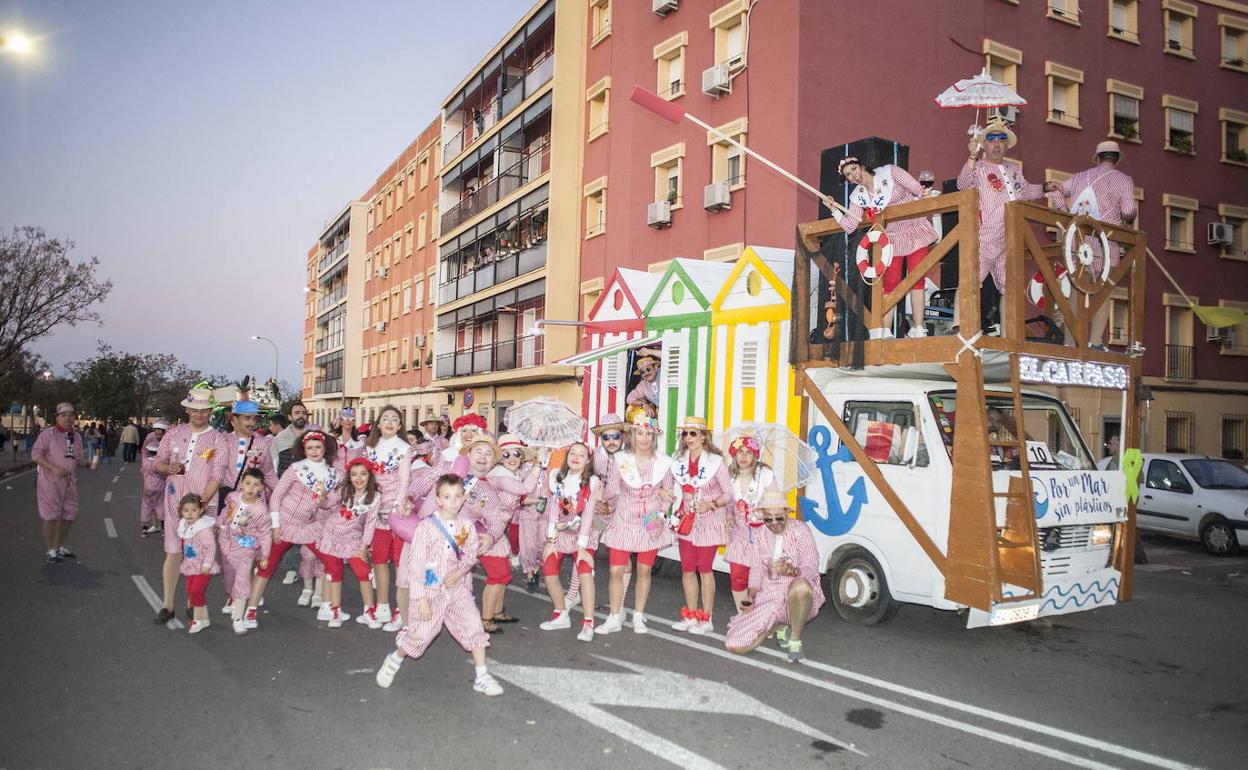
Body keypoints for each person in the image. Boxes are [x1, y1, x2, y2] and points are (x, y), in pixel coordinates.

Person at [375, 474, 504, 697]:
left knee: (474, 625)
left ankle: (482, 676)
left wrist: (460, 572)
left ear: (463, 498)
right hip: (430, 589)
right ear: (438, 499)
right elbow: (416, 567)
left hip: (457, 588)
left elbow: (470, 555)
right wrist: (421, 600)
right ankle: (394, 659)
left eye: (457, 496)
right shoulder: (426, 528)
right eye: (447, 496)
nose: (453, 501)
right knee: (421, 634)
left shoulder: (467, 526)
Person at [956, 120, 1057, 330]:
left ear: (1007, 144)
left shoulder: (1014, 170)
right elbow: (962, 185)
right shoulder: (979, 167)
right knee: (970, 280)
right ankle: (959, 326)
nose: (996, 144)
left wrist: (1046, 187)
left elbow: (1026, 191)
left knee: (1011, 287)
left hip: (1010, 238)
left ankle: (1009, 333)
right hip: (984, 236)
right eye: (991, 139)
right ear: (984, 144)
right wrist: (972, 157)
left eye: (1001, 139)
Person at [827, 157, 939, 338]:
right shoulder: (857, 196)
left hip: (915, 229)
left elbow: (918, 190)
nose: (854, 175)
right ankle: (886, 331)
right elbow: (850, 226)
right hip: (891, 239)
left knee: (917, 279)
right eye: (848, 175)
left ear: (862, 166)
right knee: (890, 284)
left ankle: (919, 328)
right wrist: (833, 209)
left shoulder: (890, 171)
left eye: (854, 169)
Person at [243, 430, 341, 630]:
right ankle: (250, 608)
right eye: (310, 447)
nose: (314, 451)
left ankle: (330, 606)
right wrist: (276, 525)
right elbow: (277, 496)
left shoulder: (333, 474)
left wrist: (323, 498)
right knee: (266, 565)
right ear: (303, 449)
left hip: (310, 526)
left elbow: (330, 503)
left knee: (333, 562)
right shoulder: (295, 469)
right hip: (285, 524)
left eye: (318, 447)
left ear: (325, 448)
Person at [1053, 140, 1138, 348]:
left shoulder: (1079, 177)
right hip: (1105, 242)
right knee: (1103, 291)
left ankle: (1070, 342)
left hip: (1078, 239)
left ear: (1097, 157)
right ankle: (1095, 341)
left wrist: (1065, 213)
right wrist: (1128, 219)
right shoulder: (1124, 180)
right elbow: (1128, 211)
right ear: (1116, 160)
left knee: (1076, 290)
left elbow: (1055, 191)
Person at [725, 490, 825, 663]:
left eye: (779, 517)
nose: (774, 523)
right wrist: (751, 595)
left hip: (798, 597)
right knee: (735, 646)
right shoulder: (761, 534)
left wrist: (792, 571)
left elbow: (811, 566)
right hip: (769, 598)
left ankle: (795, 640)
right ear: (762, 516)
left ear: (787, 512)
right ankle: (776, 626)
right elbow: (756, 570)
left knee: (801, 586)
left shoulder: (800, 531)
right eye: (768, 518)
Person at [597, 412, 674, 635]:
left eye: (648, 434)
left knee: (644, 570)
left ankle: (638, 615)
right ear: (633, 434)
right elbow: (612, 491)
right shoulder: (621, 460)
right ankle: (614, 615)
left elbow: (666, 494)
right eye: (640, 433)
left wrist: (660, 514)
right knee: (615, 571)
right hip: (623, 519)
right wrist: (603, 494)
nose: (644, 438)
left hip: (649, 520)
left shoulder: (664, 462)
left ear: (654, 437)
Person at [153, 388, 222, 624]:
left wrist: (202, 503)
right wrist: (167, 468)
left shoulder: (218, 438)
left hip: (203, 505)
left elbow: (218, 474)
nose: (200, 414)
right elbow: (158, 463)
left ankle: (193, 602)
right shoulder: (173, 433)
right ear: (187, 409)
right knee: (173, 551)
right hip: (174, 501)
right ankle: (167, 604)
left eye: (204, 410)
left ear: (211, 411)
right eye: (195, 409)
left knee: (199, 552)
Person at [668, 416, 732, 635]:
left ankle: (707, 618)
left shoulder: (716, 462)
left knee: (705, 569)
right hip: (687, 521)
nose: (688, 438)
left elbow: (728, 493)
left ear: (704, 436)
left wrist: (712, 503)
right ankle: (691, 615)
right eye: (685, 433)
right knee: (686, 569)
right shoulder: (678, 461)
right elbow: (669, 487)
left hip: (709, 522)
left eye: (693, 433)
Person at [539, 442, 602, 642]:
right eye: (572, 453)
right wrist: (550, 540)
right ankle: (561, 613)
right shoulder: (558, 477)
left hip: (583, 535)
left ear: (588, 460)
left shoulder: (592, 482)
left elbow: (589, 516)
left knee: (585, 571)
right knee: (549, 569)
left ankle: (588, 622)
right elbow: (553, 511)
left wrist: (582, 549)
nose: (575, 457)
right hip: (561, 534)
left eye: (581, 454)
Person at [311, 456, 381, 628]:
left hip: (353, 540)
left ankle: (368, 612)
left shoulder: (375, 497)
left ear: (369, 476)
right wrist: (321, 496)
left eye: (363, 474)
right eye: (354, 474)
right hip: (331, 536)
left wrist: (364, 548)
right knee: (335, 572)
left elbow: (371, 524)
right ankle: (335, 611)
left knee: (364, 572)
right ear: (349, 476)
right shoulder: (343, 489)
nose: (358, 478)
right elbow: (327, 504)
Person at [482, 434, 542, 629]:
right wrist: (538, 466)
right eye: (506, 454)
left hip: (498, 529)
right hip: (488, 530)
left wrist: (541, 501)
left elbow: (515, 499)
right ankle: (485, 620)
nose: (513, 457)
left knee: (504, 574)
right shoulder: (500, 474)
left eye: (517, 453)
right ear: (500, 457)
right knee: (496, 575)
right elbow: (524, 488)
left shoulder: (509, 474)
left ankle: (497, 613)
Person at [362, 406, 412, 632]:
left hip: (396, 511)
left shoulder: (404, 448)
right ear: (378, 425)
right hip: (375, 508)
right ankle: (382, 605)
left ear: (400, 426)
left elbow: (404, 481)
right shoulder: (370, 447)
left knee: (401, 561)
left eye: (395, 419)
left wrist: (398, 507)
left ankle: (401, 611)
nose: (390, 422)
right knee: (379, 559)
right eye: (386, 419)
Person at [724, 435, 778, 612]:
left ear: (755, 455)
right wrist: (730, 516)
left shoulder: (766, 475)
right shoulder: (729, 477)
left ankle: (763, 618)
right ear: (734, 454)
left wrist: (763, 511)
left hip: (763, 536)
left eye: (748, 452)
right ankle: (744, 617)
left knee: (762, 581)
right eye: (740, 452)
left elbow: (776, 503)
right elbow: (727, 505)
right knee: (738, 578)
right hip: (739, 536)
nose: (744, 456)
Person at [31, 403, 89, 563]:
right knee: (51, 516)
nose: (68, 418)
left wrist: (89, 464)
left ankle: (59, 547)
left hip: (69, 481)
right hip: (50, 481)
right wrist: (53, 468)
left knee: (69, 515)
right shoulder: (47, 434)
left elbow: (79, 459)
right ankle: (50, 550)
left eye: (70, 415)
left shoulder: (76, 436)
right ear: (57, 417)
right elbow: (36, 455)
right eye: (63, 415)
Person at [216, 468, 271, 634]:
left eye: (255, 485)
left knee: (242, 579)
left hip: (247, 547)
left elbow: (265, 533)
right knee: (229, 574)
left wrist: (265, 554)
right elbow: (225, 512)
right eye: (247, 483)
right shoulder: (232, 497)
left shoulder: (261, 510)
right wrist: (218, 524)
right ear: (241, 484)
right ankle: (232, 597)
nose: (250, 488)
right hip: (227, 542)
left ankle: (238, 618)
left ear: (261, 488)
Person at [215, 400, 278, 510]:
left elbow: (268, 473)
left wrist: (283, 493)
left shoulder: (261, 443)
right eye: (247, 418)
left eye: (254, 419)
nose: (252, 423)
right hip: (228, 502)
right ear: (235, 419)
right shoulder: (223, 441)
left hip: (253, 504)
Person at [177, 493, 219, 635]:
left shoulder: (202, 528)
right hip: (190, 565)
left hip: (202, 566)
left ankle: (197, 620)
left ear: (200, 510)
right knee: (191, 591)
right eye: (186, 510)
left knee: (196, 591)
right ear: (181, 511)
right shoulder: (185, 525)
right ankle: (204, 618)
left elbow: (211, 547)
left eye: (193, 510)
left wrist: (207, 564)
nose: (189, 514)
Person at [139, 421, 168, 537]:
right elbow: (143, 451)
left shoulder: (147, 462)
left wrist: (144, 468)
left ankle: (144, 529)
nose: (158, 436)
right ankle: (163, 529)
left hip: (148, 486)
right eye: (156, 434)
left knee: (146, 506)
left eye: (160, 434)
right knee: (161, 505)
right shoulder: (149, 438)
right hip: (160, 484)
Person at [270, 401, 310, 477]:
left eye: (304, 413)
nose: (301, 415)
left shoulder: (313, 437)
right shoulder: (280, 438)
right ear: (290, 417)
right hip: (285, 483)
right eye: (297, 413)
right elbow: (273, 464)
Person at [625, 349, 661, 417]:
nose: (646, 373)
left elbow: (670, 356)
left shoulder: (664, 374)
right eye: (642, 372)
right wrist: (644, 404)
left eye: (648, 369)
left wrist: (649, 351)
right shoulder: (643, 385)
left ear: (656, 367)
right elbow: (629, 398)